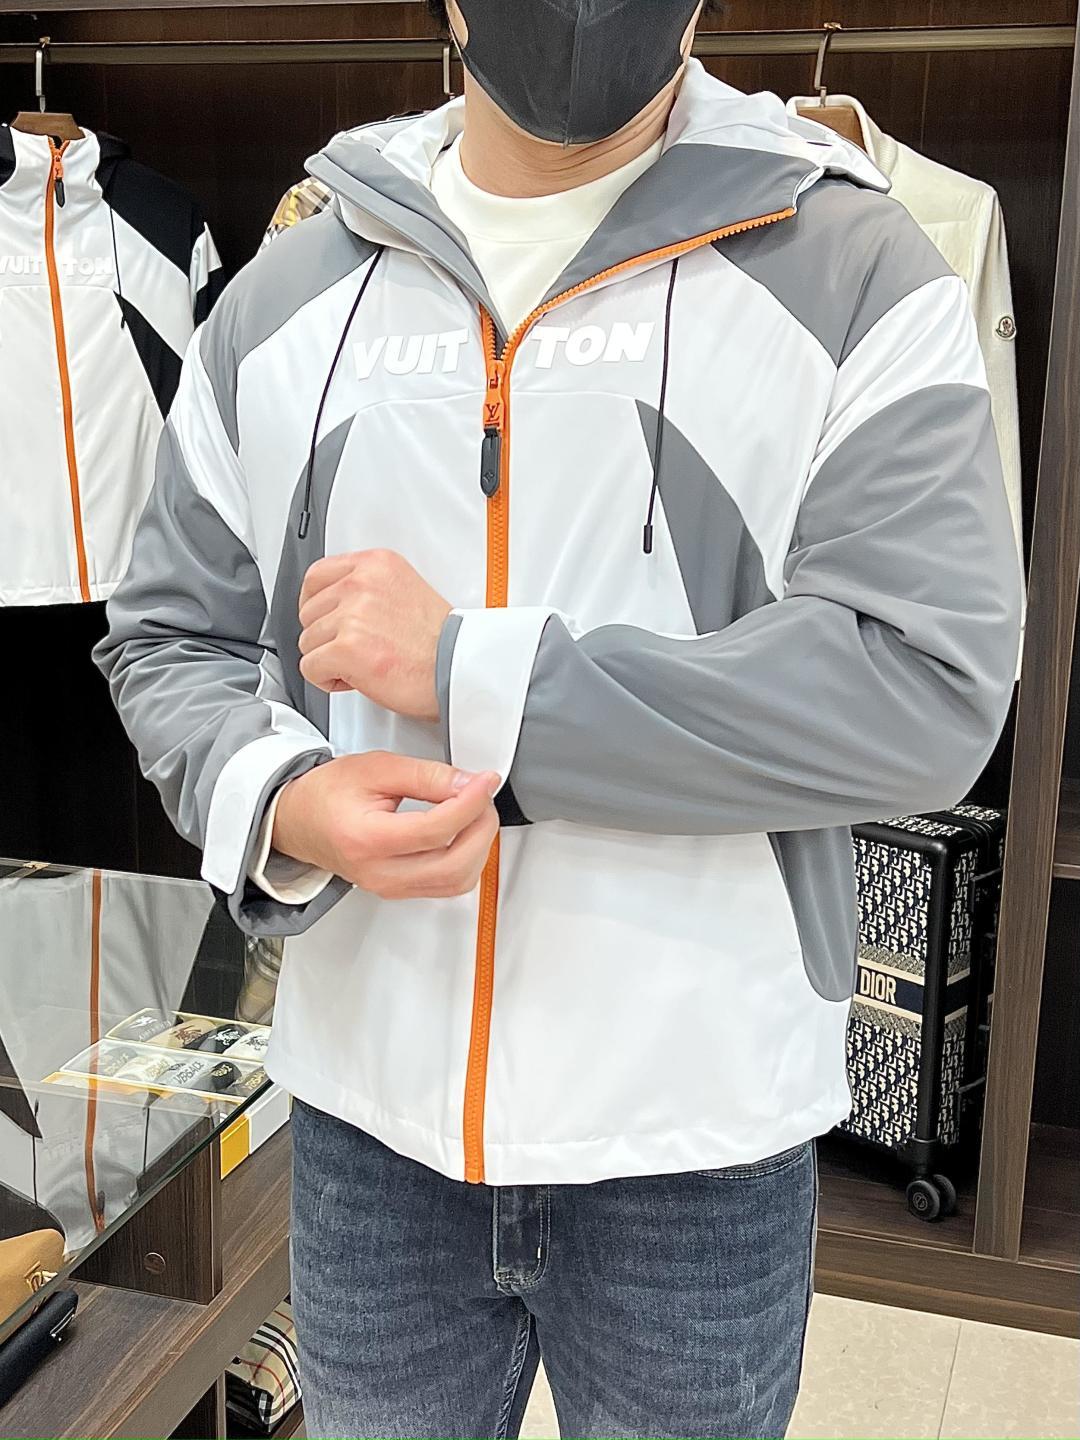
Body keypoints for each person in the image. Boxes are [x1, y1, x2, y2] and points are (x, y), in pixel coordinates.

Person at [96, 0, 1022, 1434]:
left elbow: (923, 682)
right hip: (368, 1127)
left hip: (695, 1136)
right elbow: (170, 637)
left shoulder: (856, 272)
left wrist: (480, 679)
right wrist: (282, 799)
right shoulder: (288, 296)